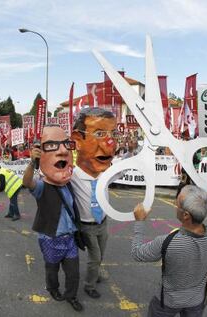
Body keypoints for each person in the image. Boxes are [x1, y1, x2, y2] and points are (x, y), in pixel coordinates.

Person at [131, 183, 207, 317]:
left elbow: (137, 253)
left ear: (186, 215)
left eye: (177, 204)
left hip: (168, 302)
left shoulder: (168, 242)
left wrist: (139, 222)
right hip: (197, 301)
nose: (175, 204)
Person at [23, 125, 83, 312]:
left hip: (69, 239)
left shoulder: (69, 184)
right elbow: (27, 183)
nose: (63, 150)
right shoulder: (42, 186)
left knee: (73, 273)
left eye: (66, 144)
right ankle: (53, 288)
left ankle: (71, 296)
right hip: (50, 238)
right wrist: (33, 163)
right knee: (52, 269)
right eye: (53, 146)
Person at [71, 107, 119, 299]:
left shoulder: (107, 172)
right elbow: (46, 179)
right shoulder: (71, 175)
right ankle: (89, 285)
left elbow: (129, 168)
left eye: (112, 134)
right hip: (87, 225)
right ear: (77, 140)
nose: (109, 143)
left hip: (103, 222)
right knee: (95, 257)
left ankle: (95, 274)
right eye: (100, 133)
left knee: (101, 254)